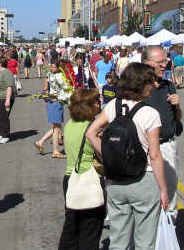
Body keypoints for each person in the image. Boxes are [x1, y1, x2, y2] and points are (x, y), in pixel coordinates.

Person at [85, 63, 169, 248]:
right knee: (144, 240)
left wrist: (107, 156)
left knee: (118, 239)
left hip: (115, 179)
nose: (154, 85)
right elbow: (154, 156)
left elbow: (91, 133)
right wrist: (163, 189)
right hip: (143, 179)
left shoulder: (112, 106)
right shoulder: (150, 113)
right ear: (141, 84)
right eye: (150, 81)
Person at [58, 88, 105, 250]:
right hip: (89, 180)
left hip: (70, 179)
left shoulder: (69, 125)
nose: (100, 104)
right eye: (97, 102)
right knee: (90, 231)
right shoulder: (93, 128)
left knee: (71, 227)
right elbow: (103, 155)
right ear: (89, 107)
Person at [141, 46, 181, 217]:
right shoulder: (139, 88)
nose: (165, 65)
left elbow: (177, 117)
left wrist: (177, 105)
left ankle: (168, 233)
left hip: (166, 146)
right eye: (161, 62)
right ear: (147, 63)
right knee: (147, 195)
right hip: (144, 149)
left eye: (166, 61)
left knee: (170, 194)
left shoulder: (168, 85)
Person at [35, 62, 71, 158]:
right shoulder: (57, 76)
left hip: (53, 101)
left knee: (57, 127)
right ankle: (53, 150)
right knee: (56, 127)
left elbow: (47, 88)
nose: (52, 68)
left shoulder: (50, 75)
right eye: (52, 67)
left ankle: (43, 143)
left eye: (54, 67)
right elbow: (64, 89)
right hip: (55, 101)